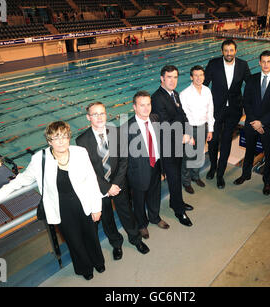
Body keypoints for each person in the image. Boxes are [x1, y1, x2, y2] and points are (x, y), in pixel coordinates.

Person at [0, 121, 104, 281]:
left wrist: (96, 207)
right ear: (49, 141)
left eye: (64, 137)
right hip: (61, 207)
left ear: (69, 137)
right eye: (56, 138)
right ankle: (85, 267)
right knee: (74, 240)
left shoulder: (80, 152)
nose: (61, 141)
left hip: (84, 203)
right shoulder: (40, 159)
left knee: (91, 235)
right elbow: (21, 180)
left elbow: (92, 180)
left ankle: (98, 261)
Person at [76, 102, 150, 260]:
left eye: (102, 113)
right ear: (88, 117)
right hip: (99, 188)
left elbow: (124, 160)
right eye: (95, 114)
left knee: (126, 213)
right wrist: (106, 187)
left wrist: (115, 184)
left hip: (119, 183)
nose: (99, 117)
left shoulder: (117, 132)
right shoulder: (82, 141)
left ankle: (136, 239)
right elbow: (88, 170)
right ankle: (116, 243)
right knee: (107, 218)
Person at [233, 50, 270, 195]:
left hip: (268, 125)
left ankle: (267, 181)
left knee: (269, 154)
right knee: (249, 150)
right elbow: (246, 101)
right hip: (251, 123)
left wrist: (261, 123)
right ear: (259, 63)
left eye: (269, 61)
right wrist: (254, 121)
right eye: (263, 61)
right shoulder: (252, 79)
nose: (266, 64)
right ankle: (245, 174)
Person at [151, 65, 195, 227]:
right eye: (169, 77)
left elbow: (182, 115)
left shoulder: (174, 94)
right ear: (162, 78)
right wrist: (181, 135)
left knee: (176, 176)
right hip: (167, 147)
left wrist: (188, 133)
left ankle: (177, 202)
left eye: (175, 77)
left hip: (178, 144)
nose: (173, 81)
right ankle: (178, 210)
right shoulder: (157, 98)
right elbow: (164, 124)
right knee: (174, 178)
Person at [204, 39, 251, 189]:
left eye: (231, 50)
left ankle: (220, 174)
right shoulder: (214, 63)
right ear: (222, 51)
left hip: (234, 110)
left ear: (235, 51)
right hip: (216, 109)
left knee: (226, 141)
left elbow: (250, 84)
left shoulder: (243, 65)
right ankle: (213, 166)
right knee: (213, 140)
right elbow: (204, 85)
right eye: (226, 50)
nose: (229, 53)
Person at [125, 91, 169, 239]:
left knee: (155, 194)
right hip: (138, 171)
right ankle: (142, 224)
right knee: (138, 200)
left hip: (155, 165)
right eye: (141, 105)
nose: (146, 108)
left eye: (148, 104)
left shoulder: (155, 119)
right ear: (134, 107)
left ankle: (155, 217)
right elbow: (125, 157)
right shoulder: (126, 127)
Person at [179, 65, 215, 194]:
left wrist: (210, 129)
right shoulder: (184, 94)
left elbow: (210, 110)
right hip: (191, 128)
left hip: (203, 127)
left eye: (201, 75)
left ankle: (195, 176)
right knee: (188, 156)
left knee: (199, 154)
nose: (199, 78)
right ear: (191, 77)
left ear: (204, 76)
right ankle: (186, 181)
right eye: (196, 75)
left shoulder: (207, 91)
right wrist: (187, 134)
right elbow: (182, 117)